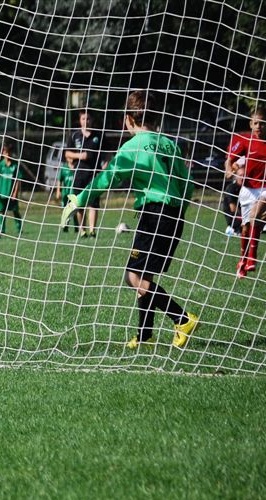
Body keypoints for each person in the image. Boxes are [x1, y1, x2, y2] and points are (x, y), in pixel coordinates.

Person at [62, 89, 199, 349]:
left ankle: (182, 319)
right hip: (174, 215)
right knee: (144, 275)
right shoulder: (169, 144)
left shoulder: (132, 147)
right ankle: (145, 335)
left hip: (153, 215)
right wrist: (179, 206)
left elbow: (107, 178)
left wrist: (79, 199)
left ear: (128, 119)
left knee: (133, 277)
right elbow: (188, 183)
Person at [227, 108, 266, 278]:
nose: (259, 126)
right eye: (256, 123)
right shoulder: (244, 141)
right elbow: (230, 159)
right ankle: (243, 260)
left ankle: (252, 257)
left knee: (255, 214)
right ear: (251, 124)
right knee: (246, 228)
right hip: (249, 188)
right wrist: (229, 169)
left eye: (263, 123)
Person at [65, 109, 104, 237]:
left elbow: (108, 152)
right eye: (83, 119)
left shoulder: (99, 135)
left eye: (88, 119)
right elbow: (67, 153)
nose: (86, 121)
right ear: (80, 120)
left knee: (93, 202)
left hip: (94, 173)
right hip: (79, 174)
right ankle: (82, 230)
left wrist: (106, 164)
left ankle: (92, 230)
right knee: (79, 202)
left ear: (91, 120)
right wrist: (79, 156)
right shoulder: (74, 135)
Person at [0, 142, 24, 234]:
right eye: (6, 152)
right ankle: (2, 229)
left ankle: (19, 229)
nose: (7, 154)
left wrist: (15, 192)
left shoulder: (15, 165)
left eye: (9, 152)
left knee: (15, 211)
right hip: (2, 193)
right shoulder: (0, 165)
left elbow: (18, 180)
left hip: (11, 193)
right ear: (2, 153)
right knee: (1, 211)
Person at [55, 156, 78, 232]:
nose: (71, 159)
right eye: (69, 158)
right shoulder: (64, 168)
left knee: (75, 210)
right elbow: (59, 180)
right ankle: (65, 226)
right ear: (67, 158)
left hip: (74, 194)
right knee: (66, 211)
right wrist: (58, 191)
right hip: (65, 194)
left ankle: (77, 227)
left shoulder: (77, 167)